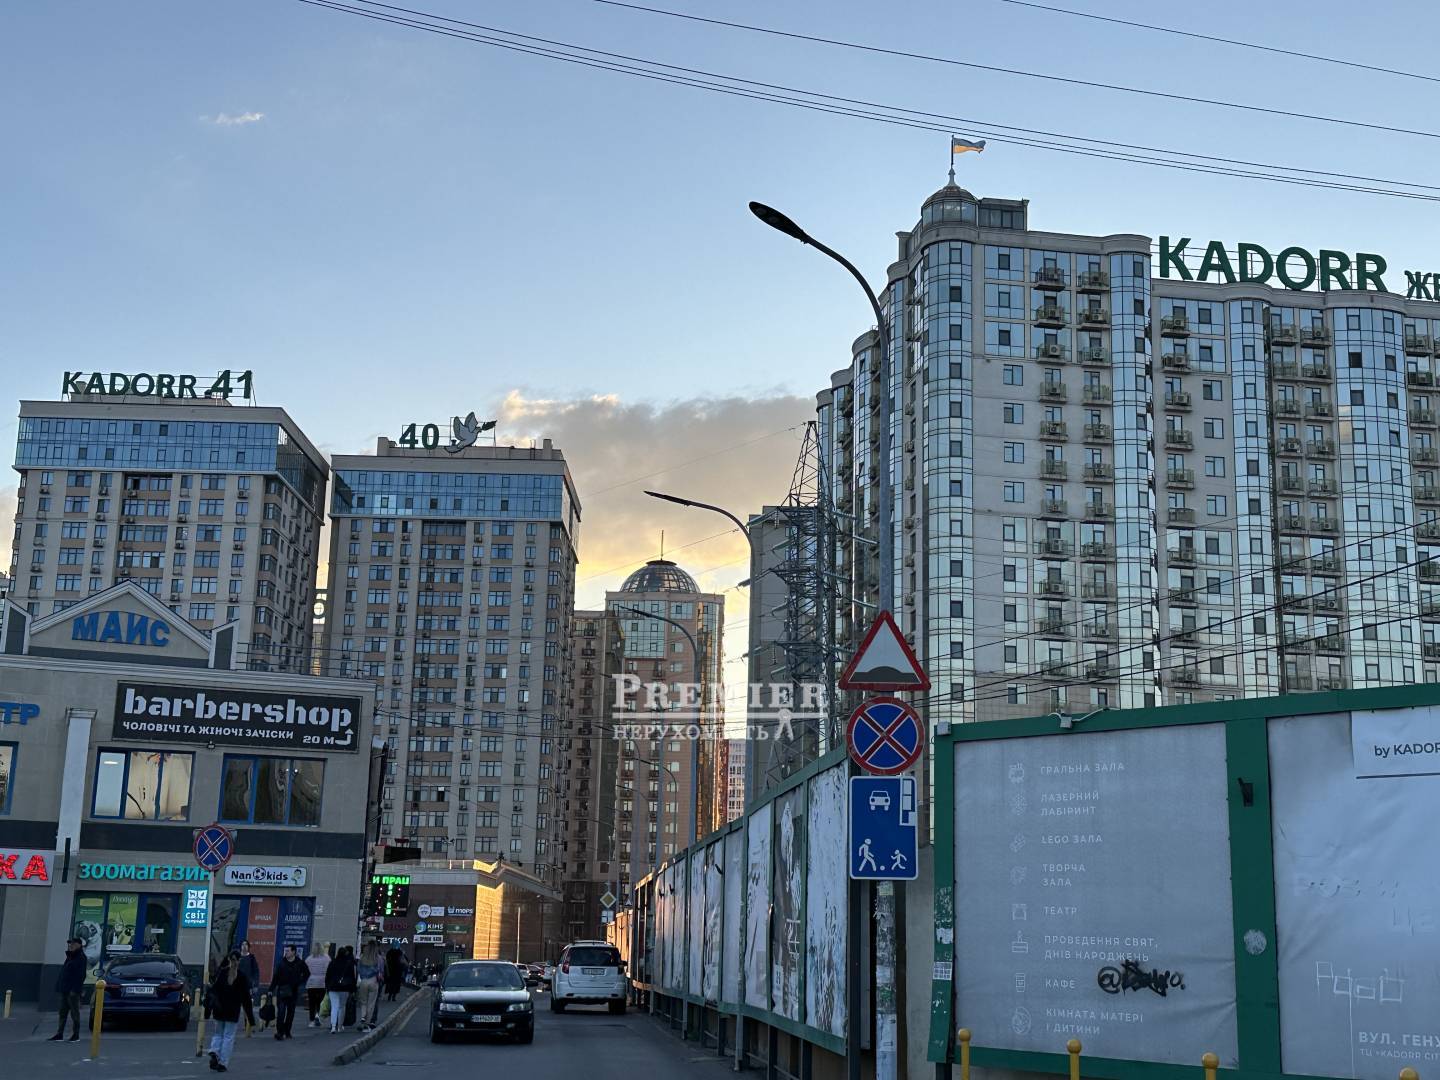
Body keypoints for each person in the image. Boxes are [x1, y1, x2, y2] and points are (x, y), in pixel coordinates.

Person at [207, 950, 256, 1073]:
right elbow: (246, 999)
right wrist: (251, 1019)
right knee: (228, 1037)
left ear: (228, 960)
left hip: (219, 1009)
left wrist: (208, 1010)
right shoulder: (242, 977)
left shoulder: (222, 973)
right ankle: (223, 1063)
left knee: (218, 1033)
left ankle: (214, 1050)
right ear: (239, 961)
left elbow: (214, 990)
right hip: (232, 1011)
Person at [48, 937, 87, 1042]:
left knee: (74, 1013)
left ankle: (76, 1035)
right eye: (70, 943)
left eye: (73, 943)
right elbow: (64, 973)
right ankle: (59, 1034)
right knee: (62, 1012)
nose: (70, 945)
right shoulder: (70, 956)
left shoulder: (81, 957)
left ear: (79, 945)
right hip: (65, 989)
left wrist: (75, 990)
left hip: (72, 991)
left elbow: (81, 975)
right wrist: (59, 986)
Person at [268, 945, 310, 1040]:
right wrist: (271, 989)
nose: (286, 953)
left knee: (290, 1012)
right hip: (282, 990)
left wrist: (299, 981)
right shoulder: (282, 963)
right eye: (286, 951)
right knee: (281, 1012)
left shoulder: (299, 963)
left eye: (288, 951)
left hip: (293, 991)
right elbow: (275, 977)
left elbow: (307, 973)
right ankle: (280, 1032)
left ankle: (287, 1031)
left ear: (294, 952)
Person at [324, 945, 357, 1034]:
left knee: (334, 1007)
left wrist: (327, 986)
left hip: (333, 987)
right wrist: (353, 989)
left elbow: (328, 975)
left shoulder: (332, 962)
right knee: (342, 1007)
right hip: (344, 988)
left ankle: (333, 1027)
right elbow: (352, 977)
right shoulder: (349, 964)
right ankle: (339, 1026)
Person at [354, 939, 382, 1032]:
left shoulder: (362, 957)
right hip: (373, 981)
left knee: (363, 1002)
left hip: (363, 981)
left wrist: (363, 976)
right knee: (371, 1004)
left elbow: (358, 969)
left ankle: (362, 1017)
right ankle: (366, 1024)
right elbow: (380, 970)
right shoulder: (378, 958)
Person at [305, 942, 330, 1028]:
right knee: (320, 1002)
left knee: (312, 1003)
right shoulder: (326, 958)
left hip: (311, 982)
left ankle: (312, 1021)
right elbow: (329, 969)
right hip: (322, 983)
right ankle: (318, 1016)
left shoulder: (309, 959)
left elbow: (305, 970)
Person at [236, 941, 261, 1012]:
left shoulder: (251, 958)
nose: (244, 946)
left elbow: (256, 971)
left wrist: (255, 985)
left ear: (248, 947)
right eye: (243, 944)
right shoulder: (237, 957)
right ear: (240, 946)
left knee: (247, 1006)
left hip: (248, 985)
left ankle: (247, 1018)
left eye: (246, 944)